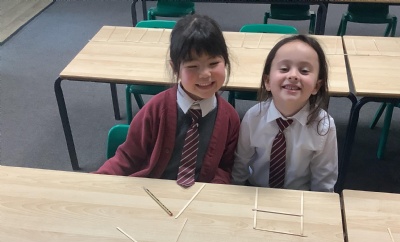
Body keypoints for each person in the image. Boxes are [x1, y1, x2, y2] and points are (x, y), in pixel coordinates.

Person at [96, 14, 240, 186]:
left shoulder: (230, 118)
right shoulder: (155, 109)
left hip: (201, 195)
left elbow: (225, 167)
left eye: (214, 63)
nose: (205, 74)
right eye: (193, 66)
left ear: (225, 61)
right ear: (175, 69)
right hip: (152, 191)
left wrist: (211, 192)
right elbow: (128, 157)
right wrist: (94, 182)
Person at [232, 34, 338, 192]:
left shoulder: (324, 126)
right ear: (267, 81)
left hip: (300, 197)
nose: (293, 75)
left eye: (304, 70)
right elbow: (240, 166)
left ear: (316, 86)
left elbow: (323, 181)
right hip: (256, 192)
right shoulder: (253, 117)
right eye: (284, 69)